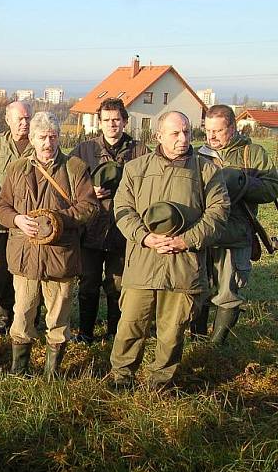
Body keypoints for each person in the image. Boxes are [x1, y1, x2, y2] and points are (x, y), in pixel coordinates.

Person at [109, 111, 229, 390]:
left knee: (172, 330)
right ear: (158, 135)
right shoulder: (136, 169)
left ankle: (160, 381)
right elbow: (122, 209)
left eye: (186, 132)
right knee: (130, 324)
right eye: (175, 133)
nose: (183, 139)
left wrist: (186, 240)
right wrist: (144, 237)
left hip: (184, 266)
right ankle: (121, 376)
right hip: (143, 262)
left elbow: (218, 214)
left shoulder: (207, 171)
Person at [0, 111, 98, 378]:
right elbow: (1, 207)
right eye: (42, 137)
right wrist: (17, 219)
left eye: (53, 137)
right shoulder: (17, 168)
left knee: (58, 317)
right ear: (32, 138)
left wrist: (56, 221)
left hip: (60, 256)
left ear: (59, 137)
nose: (48, 143)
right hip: (25, 257)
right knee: (23, 313)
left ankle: (52, 374)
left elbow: (89, 207)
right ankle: (20, 371)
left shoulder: (74, 168)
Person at [196, 104, 278, 343]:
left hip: (236, 232)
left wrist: (242, 183)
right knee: (198, 287)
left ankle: (217, 344)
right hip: (204, 232)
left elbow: (272, 189)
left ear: (232, 127)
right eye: (208, 130)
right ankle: (197, 338)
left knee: (229, 290)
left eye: (218, 131)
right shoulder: (197, 155)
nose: (211, 136)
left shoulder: (251, 153)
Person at [70, 98, 149, 343]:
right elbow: (66, 185)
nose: (112, 124)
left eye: (117, 119)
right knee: (88, 284)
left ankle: (114, 333)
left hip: (124, 230)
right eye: (107, 120)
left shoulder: (140, 151)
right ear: (100, 123)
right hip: (90, 229)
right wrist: (88, 191)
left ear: (125, 121)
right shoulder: (84, 151)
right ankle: (85, 332)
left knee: (117, 285)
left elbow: (150, 187)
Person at [0, 101, 35, 336]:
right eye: (20, 119)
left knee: (32, 271)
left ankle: (33, 317)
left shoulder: (39, 143)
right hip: (3, 223)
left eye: (28, 118)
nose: (25, 123)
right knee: (3, 272)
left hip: (33, 222)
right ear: (8, 120)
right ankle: (5, 316)